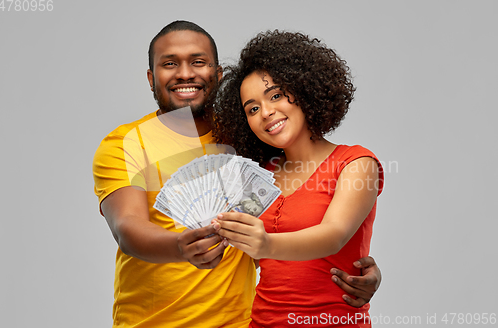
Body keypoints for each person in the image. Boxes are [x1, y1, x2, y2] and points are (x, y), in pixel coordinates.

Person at [93, 21, 381, 328]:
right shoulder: (126, 143)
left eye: (198, 62)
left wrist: (358, 266)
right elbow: (128, 227)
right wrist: (179, 247)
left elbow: (310, 228)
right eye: (170, 64)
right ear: (151, 78)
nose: (185, 73)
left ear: (218, 76)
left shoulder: (243, 146)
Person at [212, 30, 384, 327]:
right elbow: (255, 261)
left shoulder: (356, 163)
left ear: (303, 90)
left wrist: (266, 243)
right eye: (252, 109)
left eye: (275, 95)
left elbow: (334, 235)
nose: (266, 112)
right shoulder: (258, 176)